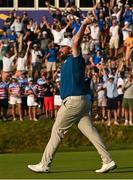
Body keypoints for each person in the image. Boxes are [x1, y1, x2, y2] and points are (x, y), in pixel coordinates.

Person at [28, 17, 116, 173]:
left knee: (57, 131)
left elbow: (76, 41)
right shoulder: (66, 63)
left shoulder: (76, 58)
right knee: (90, 132)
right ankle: (107, 160)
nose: (60, 49)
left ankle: (44, 164)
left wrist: (83, 24)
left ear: (70, 49)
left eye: (63, 47)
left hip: (74, 101)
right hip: (81, 102)